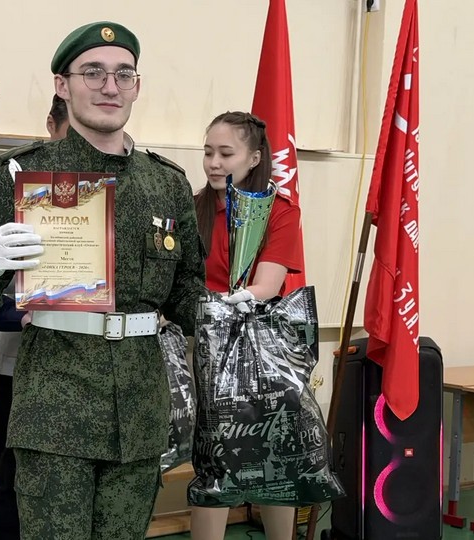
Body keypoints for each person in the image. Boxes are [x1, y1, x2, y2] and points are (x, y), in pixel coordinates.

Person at [0, 21, 207, 539]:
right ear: (62, 85)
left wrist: (227, 310)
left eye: (123, 75)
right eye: (93, 73)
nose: (110, 87)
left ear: (136, 86)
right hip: (55, 406)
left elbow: (186, 297)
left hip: (139, 408)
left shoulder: (167, 183)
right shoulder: (25, 173)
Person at [190, 111, 303, 540]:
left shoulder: (279, 212)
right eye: (208, 153)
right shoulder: (194, 208)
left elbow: (268, 285)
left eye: (226, 153)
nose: (214, 163)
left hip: (263, 350)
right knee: (213, 458)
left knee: (274, 455)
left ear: (254, 158)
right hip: (205, 347)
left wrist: (227, 300)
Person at [0, 95, 70, 540]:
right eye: (69, 135)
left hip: (83, 367)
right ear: (50, 126)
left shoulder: (110, 189)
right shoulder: (19, 184)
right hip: (21, 363)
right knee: (12, 480)